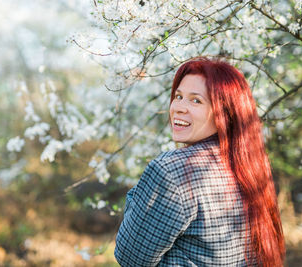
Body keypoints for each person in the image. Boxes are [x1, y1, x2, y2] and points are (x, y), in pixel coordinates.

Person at [114, 57, 285, 266]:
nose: (178, 107)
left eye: (196, 100)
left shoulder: (170, 171)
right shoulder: (247, 166)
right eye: (178, 96)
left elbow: (130, 258)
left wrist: (139, 196)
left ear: (224, 113)